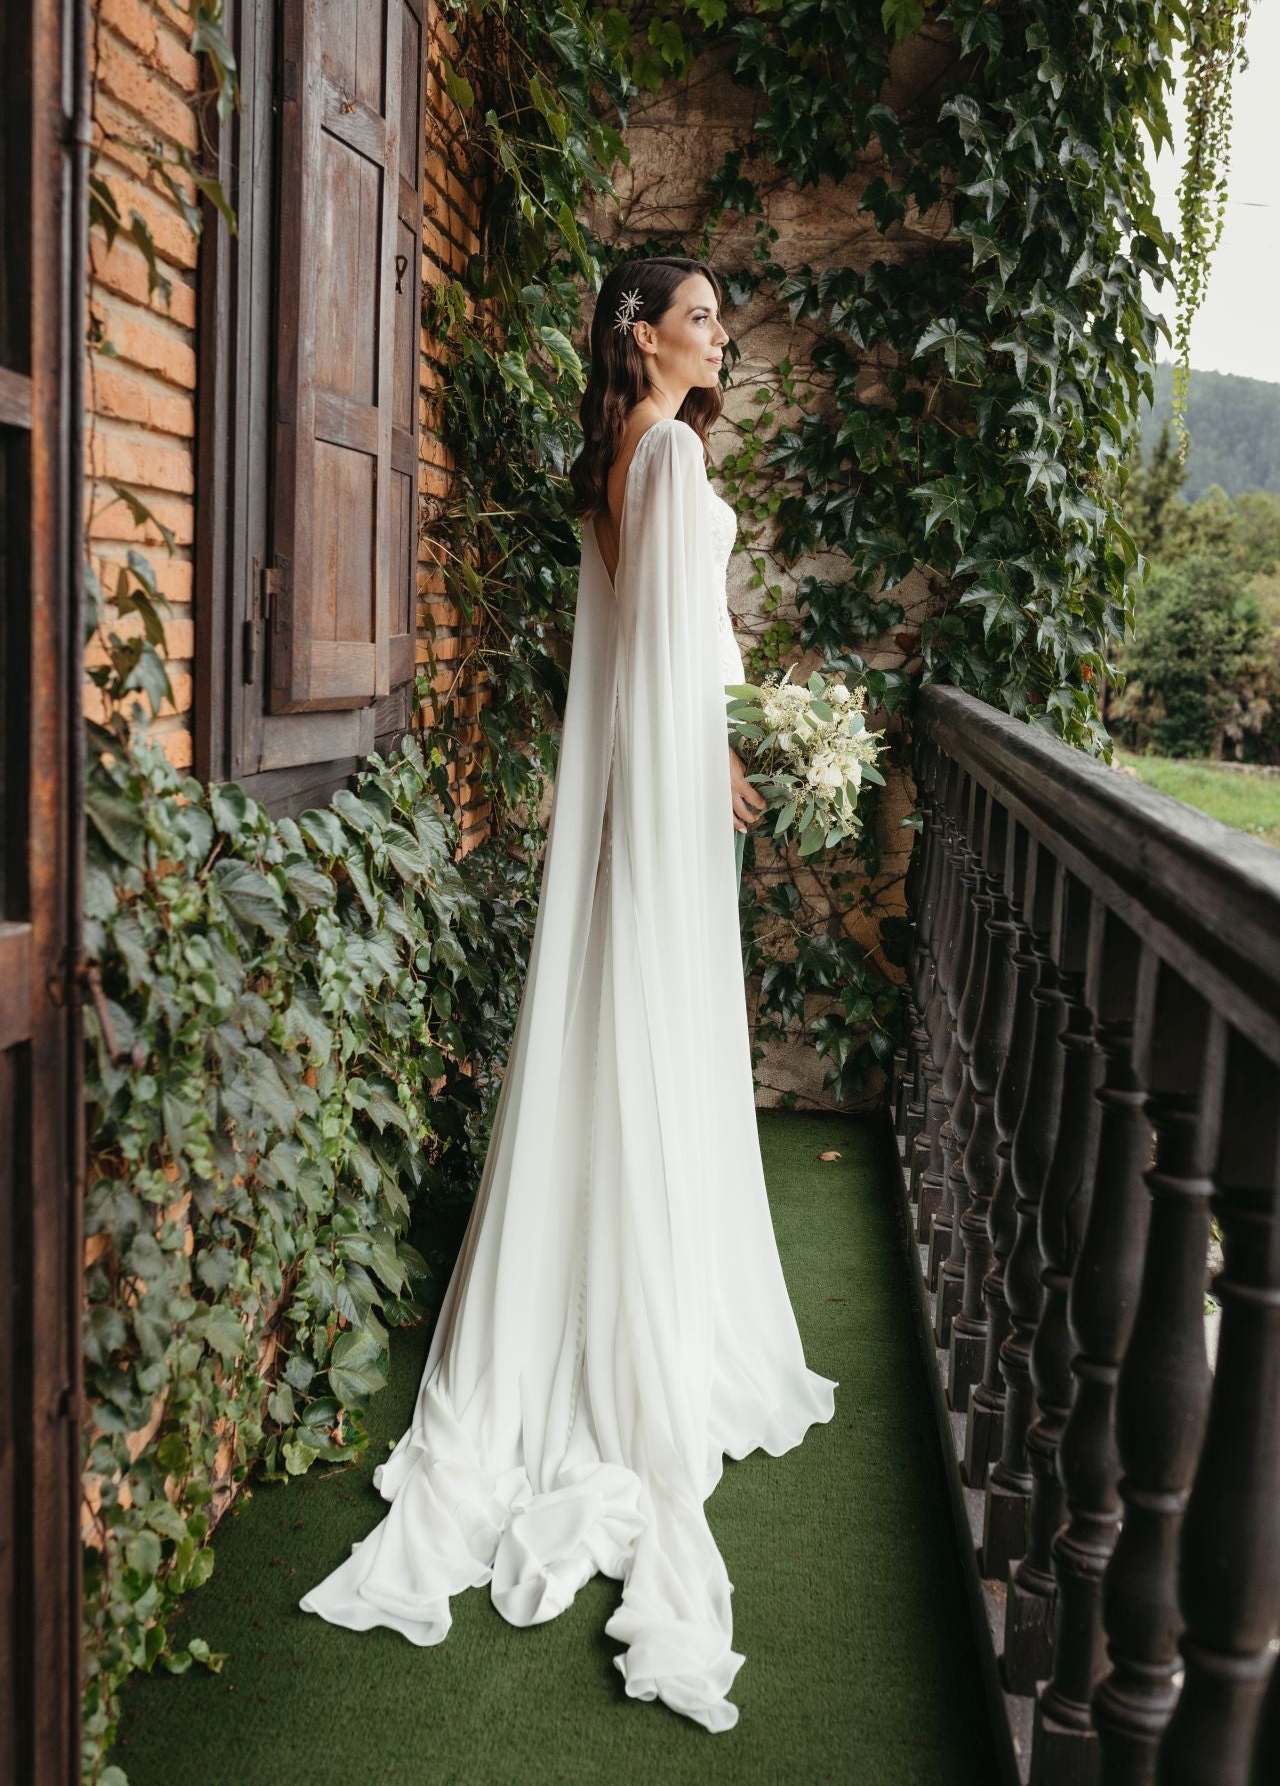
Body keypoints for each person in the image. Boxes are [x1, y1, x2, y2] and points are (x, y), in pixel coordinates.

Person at [299, 256, 838, 1733]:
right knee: (660, 1040)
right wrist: (721, 754)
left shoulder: (632, 457)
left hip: (652, 797)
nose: (720, 334)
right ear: (641, 335)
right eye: (702, 316)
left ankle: (632, 1266)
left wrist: (728, 741)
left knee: (633, 1043)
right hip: (658, 813)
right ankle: (648, 1324)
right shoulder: (660, 452)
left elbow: (657, 649)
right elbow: (669, 658)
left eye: (721, 317)